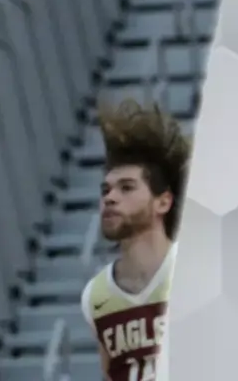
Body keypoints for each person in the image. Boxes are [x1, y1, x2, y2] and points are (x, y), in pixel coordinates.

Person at [80, 100, 189, 381]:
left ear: (162, 202)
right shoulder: (96, 296)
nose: (110, 197)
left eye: (126, 187)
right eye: (106, 190)